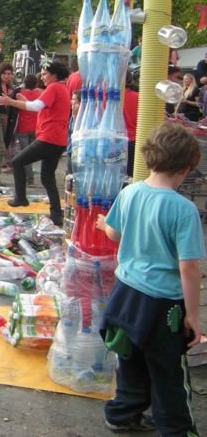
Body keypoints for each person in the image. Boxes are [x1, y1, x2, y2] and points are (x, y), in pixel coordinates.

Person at [96, 122, 203, 435]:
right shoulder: (184, 210)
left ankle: (122, 414)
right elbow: (189, 267)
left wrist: (104, 224)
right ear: (186, 169)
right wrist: (194, 317)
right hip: (162, 307)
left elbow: (115, 233)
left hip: (125, 296)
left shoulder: (129, 192)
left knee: (130, 359)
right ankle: (178, 429)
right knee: (168, 371)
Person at [0, 61, 70, 226]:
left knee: (17, 162)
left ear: (54, 74)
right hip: (58, 140)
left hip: (48, 138)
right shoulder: (62, 89)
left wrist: (11, 102)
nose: (42, 77)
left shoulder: (54, 88)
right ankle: (57, 214)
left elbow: (36, 106)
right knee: (47, 178)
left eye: (44, 74)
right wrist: (21, 100)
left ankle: (20, 198)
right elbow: (42, 107)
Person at [14, 74, 42, 185]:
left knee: (24, 154)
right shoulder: (39, 94)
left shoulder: (20, 95)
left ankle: (29, 179)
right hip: (35, 127)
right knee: (30, 154)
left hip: (23, 128)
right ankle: (29, 177)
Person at [123, 73, 139, 177]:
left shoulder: (108, 98)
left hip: (115, 142)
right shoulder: (139, 97)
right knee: (131, 175)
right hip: (134, 140)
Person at [66, 90, 81, 174]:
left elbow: (77, 134)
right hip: (70, 150)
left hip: (78, 152)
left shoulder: (81, 116)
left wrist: (75, 116)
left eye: (73, 99)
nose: (71, 102)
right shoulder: (72, 115)